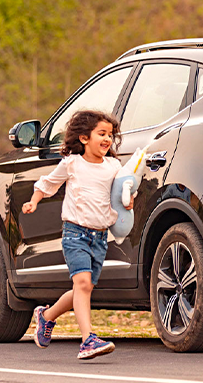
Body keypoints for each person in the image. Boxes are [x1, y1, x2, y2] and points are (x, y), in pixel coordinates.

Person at [22, 110, 130, 359]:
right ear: (84, 138)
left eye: (110, 136)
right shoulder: (73, 163)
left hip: (100, 237)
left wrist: (129, 201)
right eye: (101, 134)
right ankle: (88, 340)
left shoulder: (114, 166)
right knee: (82, 284)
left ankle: (46, 317)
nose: (107, 140)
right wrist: (34, 201)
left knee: (84, 288)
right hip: (76, 233)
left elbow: (123, 191)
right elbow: (48, 183)